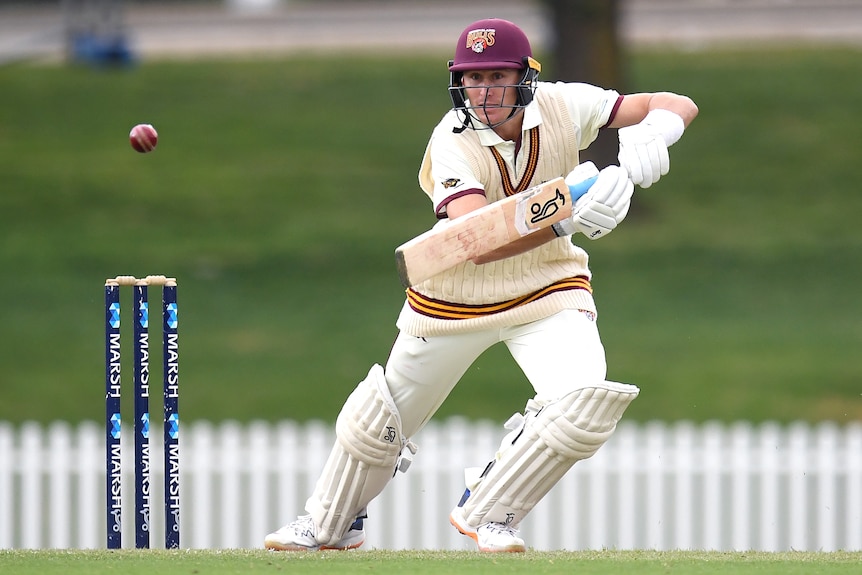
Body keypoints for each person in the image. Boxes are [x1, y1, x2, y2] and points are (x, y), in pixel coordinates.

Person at [264, 17, 698, 553]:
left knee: (581, 402)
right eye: (473, 78)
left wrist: (658, 130)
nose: (485, 90)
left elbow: (674, 101)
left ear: (525, 78)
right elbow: (478, 238)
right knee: (380, 422)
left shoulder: (566, 104)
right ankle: (328, 522)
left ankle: (492, 511)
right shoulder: (451, 140)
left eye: (497, 75)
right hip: (454, 296)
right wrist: (566, 217)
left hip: (549, 286)